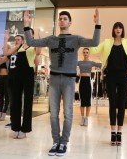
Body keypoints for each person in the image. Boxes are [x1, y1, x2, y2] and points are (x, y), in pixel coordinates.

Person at [23, 9, 101, 156]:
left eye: (65, 18)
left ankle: (63, 143)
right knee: (53, 114)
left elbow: (94, 42)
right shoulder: (51, 39)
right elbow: (31, 42)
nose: (62, 20)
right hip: (53, 79)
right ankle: (55, 142)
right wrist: (27, 25)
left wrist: (97, 24)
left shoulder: (76, 39)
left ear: (70, 22)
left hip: (69, 80)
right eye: (61, 18)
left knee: (68, 113)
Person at [90, 22, 127, 146]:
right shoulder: (107, 42)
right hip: (110, 75)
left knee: (121, 104)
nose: (118, 29)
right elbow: (93, 49)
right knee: (112, 104)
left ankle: (119, 133)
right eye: (116, 27)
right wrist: (95, 31)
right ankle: (113, 132)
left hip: (123, 76)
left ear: (122, 29)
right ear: (113, 30)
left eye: (120, 27)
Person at [3, 29, 40, 139]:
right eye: (26, 34)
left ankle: (25, 129)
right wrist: (6, 39)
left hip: (28, 74)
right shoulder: (20, 46)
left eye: (30, 34)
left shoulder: (34, 46)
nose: (28, 36)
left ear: (32, 36)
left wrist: (38, 40)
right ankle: (16, 127)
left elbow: (37, 55)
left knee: (28, 101)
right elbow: (6, 53)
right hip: (17, 75)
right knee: (15, 101)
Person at [77, 47, 101, 126]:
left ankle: (86, 119)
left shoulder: (91, 62)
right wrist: (76, 73)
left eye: (87, 52)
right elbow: (70, 65)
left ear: (89, 53)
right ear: (82, 53)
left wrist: (101, 59)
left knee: (88, 101)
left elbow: (101, 65)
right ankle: (82, 118)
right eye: (84, 52)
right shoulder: (79, 62)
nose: (85, 54)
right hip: (82, 81)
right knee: (82, 101)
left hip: (88, 81)